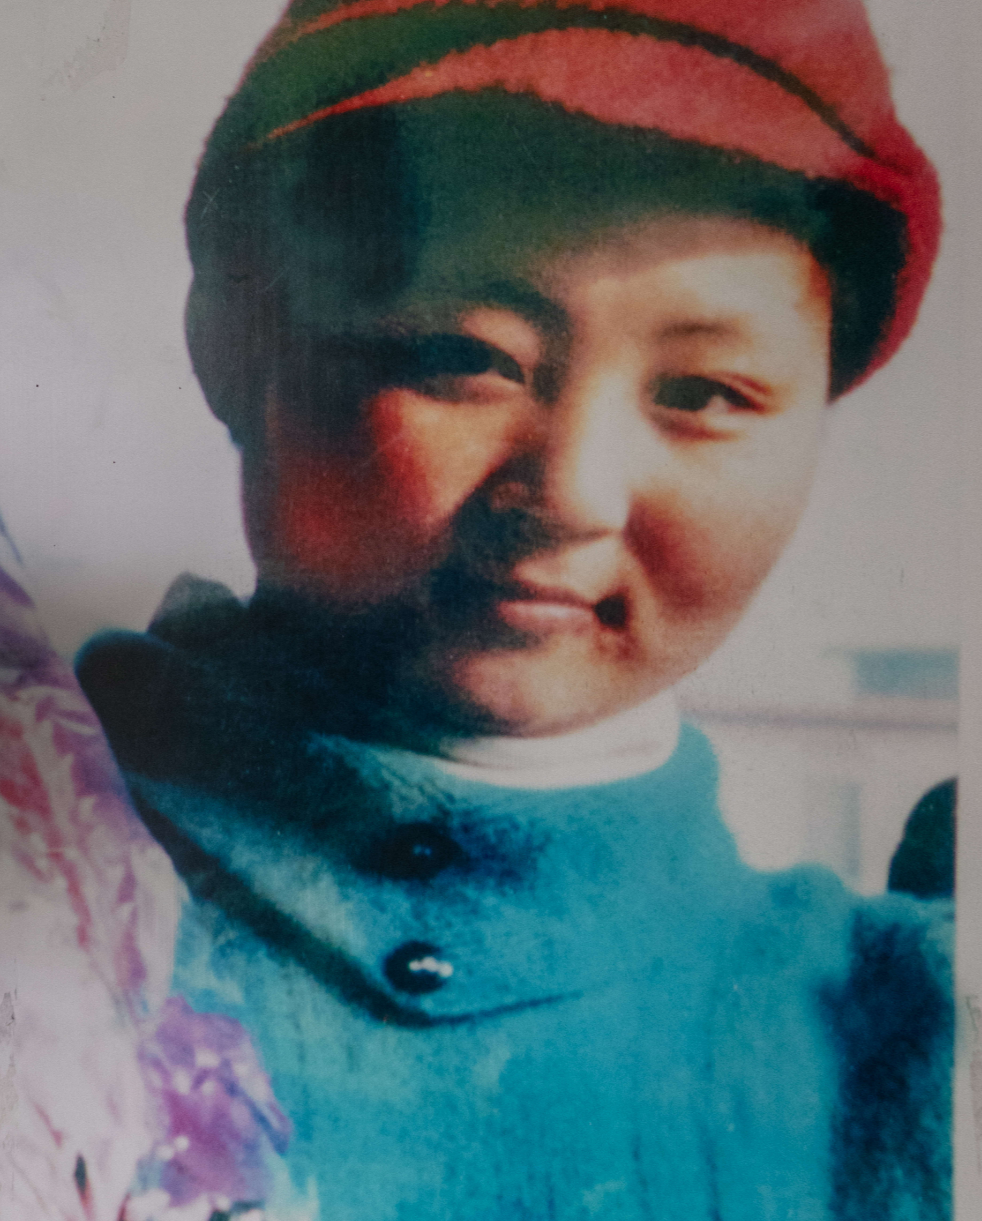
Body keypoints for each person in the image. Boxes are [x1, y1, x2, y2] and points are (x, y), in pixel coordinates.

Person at [73, 0, 953, 1217]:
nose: (574, 493)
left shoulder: (906, 1045)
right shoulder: (43, 888)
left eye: (705, 391)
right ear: (233, 341)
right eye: (462, 356)